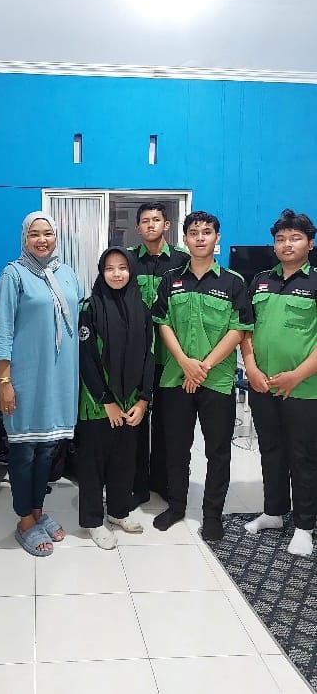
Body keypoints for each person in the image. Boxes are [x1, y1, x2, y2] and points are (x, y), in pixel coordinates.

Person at [152, 211, 254, 541]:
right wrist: (185, 362)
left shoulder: (233, 282)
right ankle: (176, 506)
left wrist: (203, 367)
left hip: (217, 381)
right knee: (176, 448)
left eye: (206, 232)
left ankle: (212, 514)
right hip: (176, 377)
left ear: (216, 238)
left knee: (217, 451)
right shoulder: (170, 280)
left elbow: (239, 329)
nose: (200, 238)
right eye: (194, 232)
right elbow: (162, 323)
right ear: (184, 238)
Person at [0, 211, 81, 557]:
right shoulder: (13, 275)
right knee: (24, 450)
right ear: (24, 238)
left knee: (47, 449)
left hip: (59, 379)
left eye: (48, 234)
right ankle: (24, 521)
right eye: (35, 234)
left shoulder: (67, 274)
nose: (42, 240)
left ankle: (38, 510)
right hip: (26, 379)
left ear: (56, 237)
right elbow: (2, 331)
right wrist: (4, 381)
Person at [241, 209, 317, 557]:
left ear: (310, 244)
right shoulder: (260, 280)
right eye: (281, 239)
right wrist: (251, 368)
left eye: (295, 238)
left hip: (304, 388)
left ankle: (304, 525)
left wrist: (297, 375)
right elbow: (245, 329)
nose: (287, 244)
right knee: (271, 451)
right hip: (263, 385)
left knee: (303, 456)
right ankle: (273, 512)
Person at [78, 248, 154, 548]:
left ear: (131, 271)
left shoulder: (142, 308)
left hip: (131, 401)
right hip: (98, 402)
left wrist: (143, 400)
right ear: (101, 272)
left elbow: (149, 356)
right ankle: (93, 521)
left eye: (123, 267)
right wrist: (106, 400)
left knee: (124, 460)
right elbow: (86, 359)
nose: (117, 273)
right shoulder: (90, 307)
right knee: (94, 464)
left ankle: (118, 511)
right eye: (109, 268)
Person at [128, 201, 189, 508]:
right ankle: (137, 485)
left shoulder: (183, 261)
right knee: (136, 424)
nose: (150, 224)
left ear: (167, 225)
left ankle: (163, 483)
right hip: (136, 358)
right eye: (145, 220)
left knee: (168, 424)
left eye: (156, 220)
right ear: (138, 227)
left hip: (170, 358)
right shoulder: (127, 260)